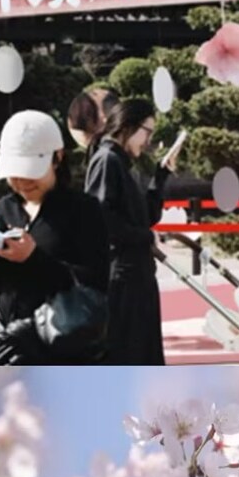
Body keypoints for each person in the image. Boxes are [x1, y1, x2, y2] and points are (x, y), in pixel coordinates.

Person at [0, 110, 111, 365]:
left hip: (60, 345)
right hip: (6, 346)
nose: (22, 182)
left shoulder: (83, 209)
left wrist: (34, 258)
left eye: (31, 172)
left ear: (58, 158)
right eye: (14, 174)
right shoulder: (5, 207)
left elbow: (96, 282)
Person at [83, 97, 179, 365]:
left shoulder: (122, 165)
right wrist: (145, 236)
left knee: (142, 354)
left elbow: (145, 217)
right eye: (147, 132)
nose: (148, 141)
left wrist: (160, 176)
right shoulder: (107, 161)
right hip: (122, 280)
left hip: (136, 277)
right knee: (129, 354)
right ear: (128, 126)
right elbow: (100, 220)